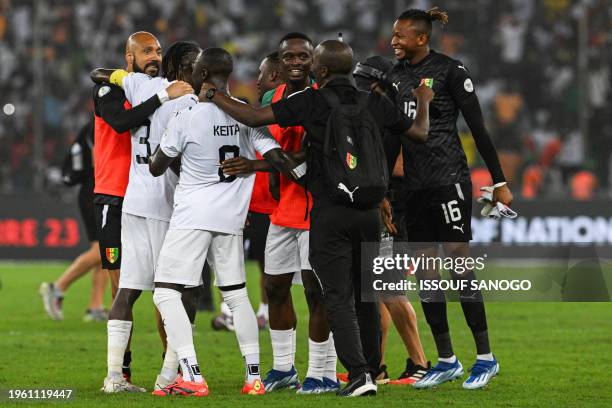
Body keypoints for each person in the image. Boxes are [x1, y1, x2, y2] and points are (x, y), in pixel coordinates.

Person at [200, 39, 433, 397]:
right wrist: (424, 102)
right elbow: (418, 134)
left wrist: (214, 93)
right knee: (364, 296)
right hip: (367, 210)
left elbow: (251, 118)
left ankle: (351, 374)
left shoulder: (311, 100)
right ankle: (371, 369)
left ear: (319, 69)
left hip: (328, 209)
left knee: (335, 295)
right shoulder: (375, 102)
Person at [148, 47, 300, 397]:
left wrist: (167, 138)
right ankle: (254, 378)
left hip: (192, 217)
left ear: (201, 77)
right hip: (231, 219)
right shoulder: (248, 116)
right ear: (228, 76)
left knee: (166, 293)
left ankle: (193, 376)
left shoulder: (187, 117)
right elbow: (278, 158)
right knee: (236, 296)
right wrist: (254, 166)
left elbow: (157, 166)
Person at [388, 8, 513, 390]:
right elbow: (392, 135)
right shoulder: (395, 77)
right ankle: (446, 359)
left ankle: (485, 358)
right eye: (393, 35)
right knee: (426, 270)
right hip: (411, 187)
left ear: (421, 38)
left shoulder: (450, 71)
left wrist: (499, 181)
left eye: (401, 36)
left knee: (459, 264)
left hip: (448, 181)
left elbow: (478, 128)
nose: (394, 41)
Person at [91, 34, 196, 393]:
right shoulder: (124, 91)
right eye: (146, 51)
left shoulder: (142, 88)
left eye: (158, 51)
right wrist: (164, 95)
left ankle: (141, 373)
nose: (154, 56)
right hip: (119, 197)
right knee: (143, 288)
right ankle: (135, 374)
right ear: (129, 56)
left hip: (136, 196)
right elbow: (121, 122)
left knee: (145, 290)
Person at [352, 56, 430, 385]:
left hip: (393, 209)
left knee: (389, 289)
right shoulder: (381, 113)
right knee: (376, 291)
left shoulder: (394, 117)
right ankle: (377, 366)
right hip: (382, 206)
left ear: (377, 86)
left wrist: (378, 183)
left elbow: (401, 166)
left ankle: (420, 364)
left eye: (361, 85)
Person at [39, 120, 108, 322]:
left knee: (104, 251)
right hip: (97, 190)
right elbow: (99, 162)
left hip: (96, 189)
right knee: (103, 250)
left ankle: (95, 306)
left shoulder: (96, 122)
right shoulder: (101, 123)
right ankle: (57, 287)